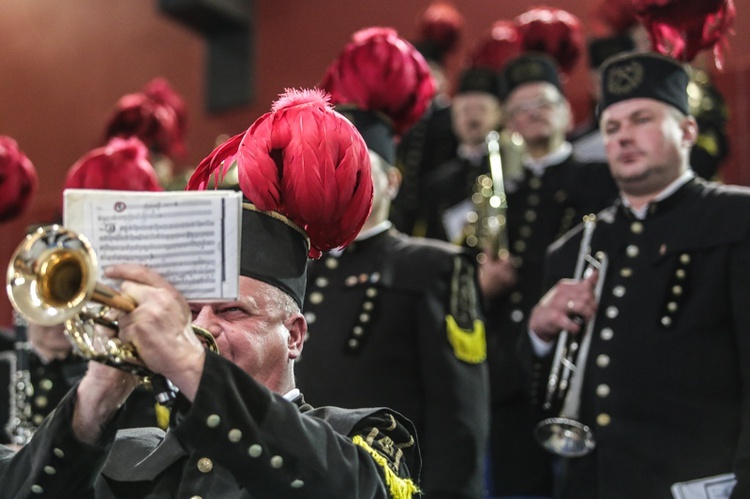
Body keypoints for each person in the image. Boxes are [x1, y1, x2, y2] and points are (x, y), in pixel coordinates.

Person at [0, 89, 422, 498]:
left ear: (294, 335)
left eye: (232, 310)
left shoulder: (362, 437)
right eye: (191, 310)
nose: (202, 327)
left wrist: (187, 362)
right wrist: (99, 392)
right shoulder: (125, 454)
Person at [525, 51, 749, 498]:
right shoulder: (572, 248)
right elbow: (543, 397)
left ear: (687, 131)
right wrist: (538, 332)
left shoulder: (737, 220)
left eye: (641, 120)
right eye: (611, 127)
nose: (623, 136)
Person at [296, 27, 489, 499]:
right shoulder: (300, 266)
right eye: (335, 167)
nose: (347, 180)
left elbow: (459, 416)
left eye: (363, 169)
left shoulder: (435, 267)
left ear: (394, 181)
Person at [475, 53, 619, 498]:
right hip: (513, 371)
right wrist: (484, 285)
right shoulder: (495, 194)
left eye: (542, 101)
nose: (532, 112)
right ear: (508, 124)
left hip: (587, 361)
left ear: (566, 110)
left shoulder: (602, 177)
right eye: (519, 108)